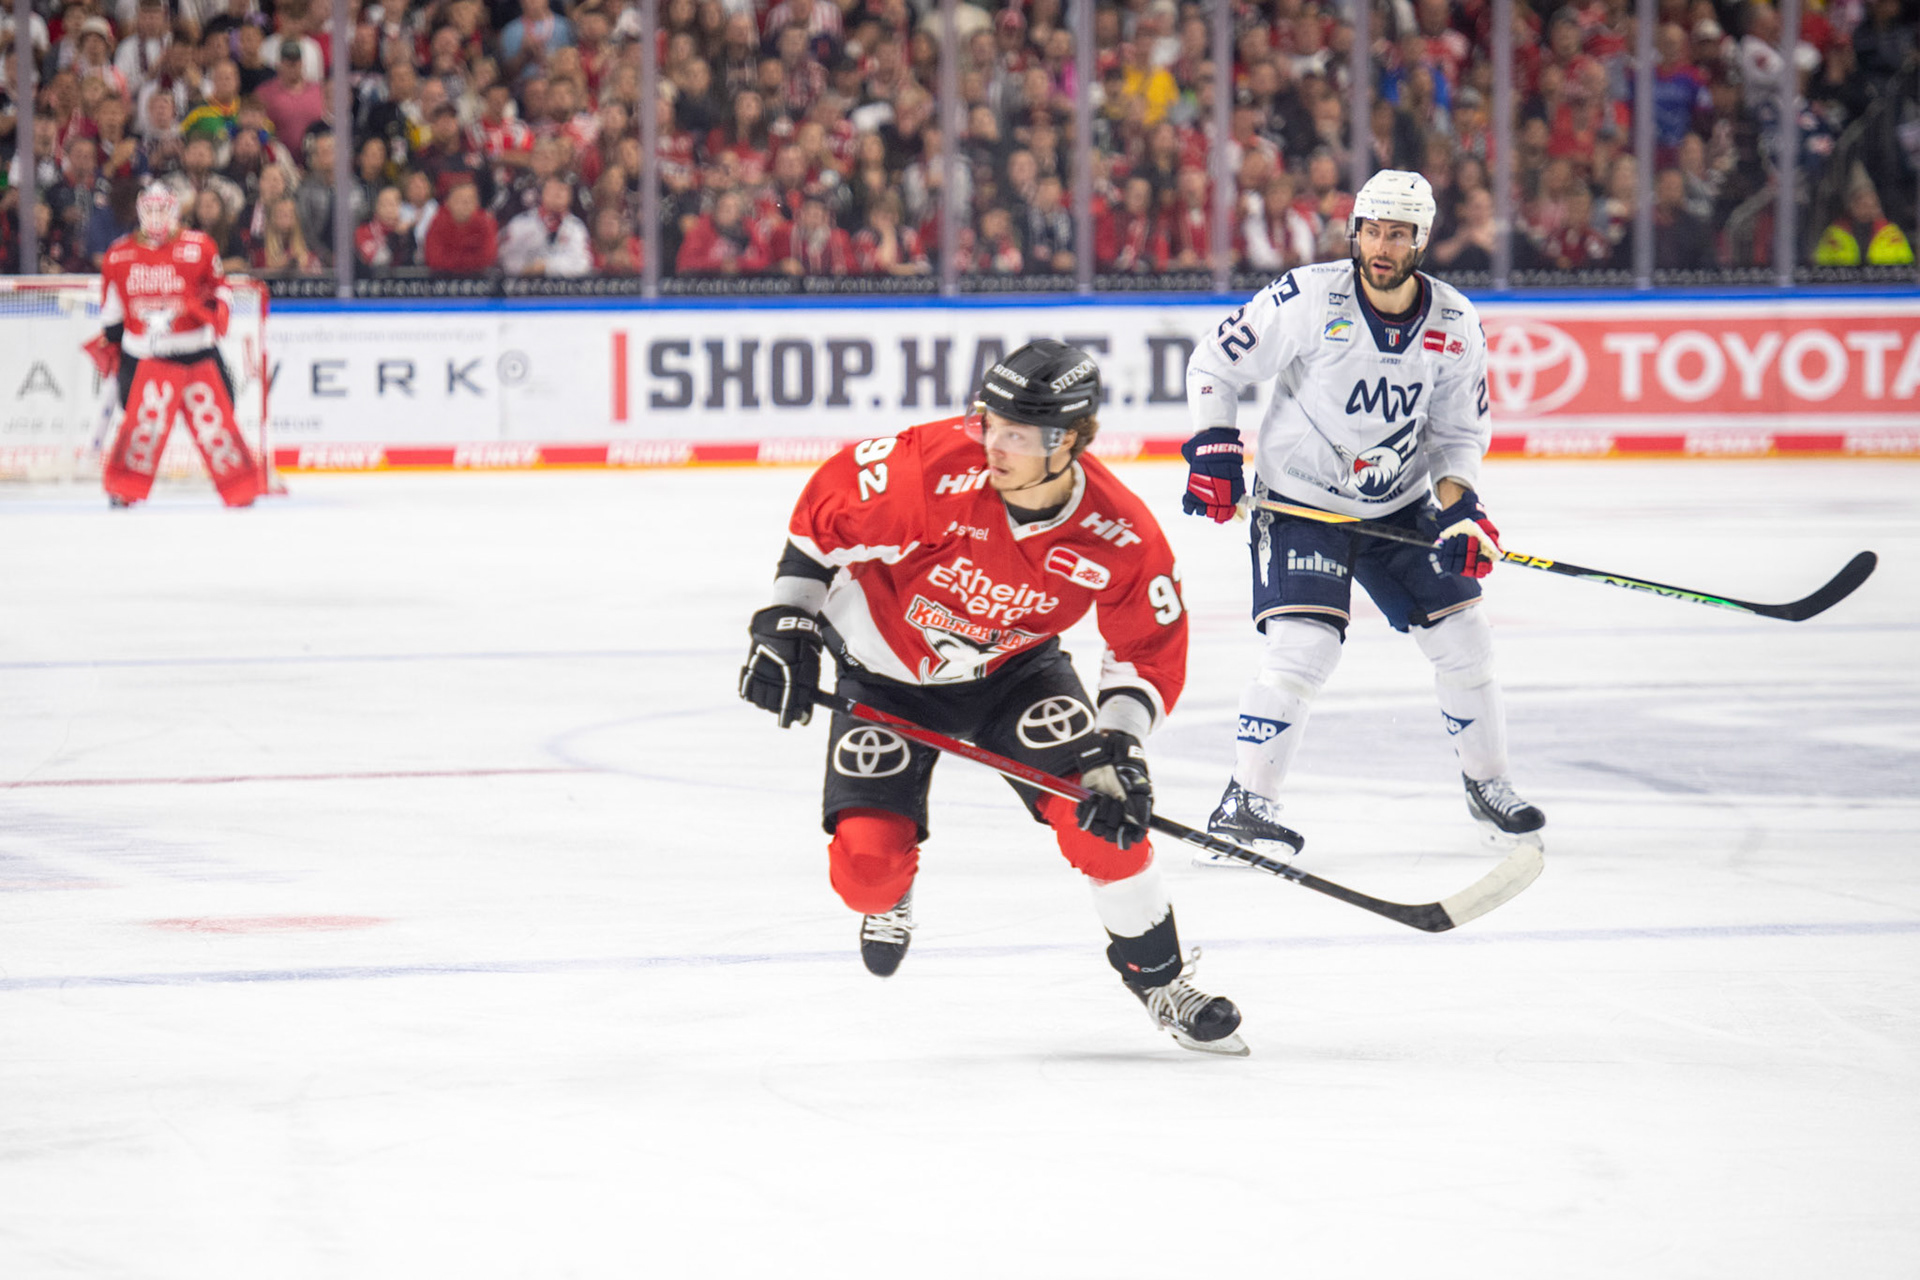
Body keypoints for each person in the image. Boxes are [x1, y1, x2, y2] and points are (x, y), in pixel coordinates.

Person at [737, 340, 1247, 1056]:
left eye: (1015, 433)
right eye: (988, 423)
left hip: (1017, 676)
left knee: (1106, 825)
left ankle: (1159, 979)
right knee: (866, 874)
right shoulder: (928, 467)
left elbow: (1144, 650)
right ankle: (892, 896)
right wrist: (787, 620)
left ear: (1067, 440)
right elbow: (823, 523)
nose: (992, 445)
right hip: (885, 680)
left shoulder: (1119, 531)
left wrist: (1119, 746)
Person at [1178, 169, 1544, 861]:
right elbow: (1214, 363)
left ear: (1422, 239)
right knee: (1305, 645)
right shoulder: (1310, 297)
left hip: (1398, 503)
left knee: (1465, 637)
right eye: (1372, 229)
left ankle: (1487, 784)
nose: (1382, 244)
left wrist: (1461, 507)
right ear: (1355, 230)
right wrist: (1215, 449)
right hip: (1299, 503)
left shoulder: (1455, 323)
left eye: (1398, 233)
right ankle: (1244, 803)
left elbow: (1457, 433)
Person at [86, 184, 261, 509]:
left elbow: (220, 289)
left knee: (217, 423)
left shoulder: (200, 246)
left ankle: (240, 487)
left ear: (175, 211)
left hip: (197, 353)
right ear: (139, 212)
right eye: (149, 210)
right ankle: (125, 488)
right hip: (145, 356)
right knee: (143, 427)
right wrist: (111, 346)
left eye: (161, 210)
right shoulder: (118, 253)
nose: (155, 218)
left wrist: (218, 311)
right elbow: (111, 310)